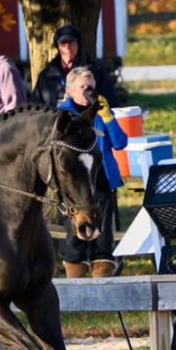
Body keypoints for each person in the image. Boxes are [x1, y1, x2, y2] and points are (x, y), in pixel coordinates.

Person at [57, 66, 127, 278]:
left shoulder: (101, 112)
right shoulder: (63, 114)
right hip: (75, 179)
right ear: (70, 90)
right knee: (75, 223)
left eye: (91, 87)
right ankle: (75, 262)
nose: (87, 91)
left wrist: (108, 118)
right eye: (82, 87)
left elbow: (120, 142)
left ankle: (102, 261)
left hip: (102, 176)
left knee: (103, 224)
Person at [33, 23, 116, 109]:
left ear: (78, 44)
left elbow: (112, 104)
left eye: (71, 43)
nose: (67, 48)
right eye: (63, 44)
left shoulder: (96, 72)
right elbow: (35, 107)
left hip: (86, 121)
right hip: (54, 121)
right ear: (57, 46)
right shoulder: (46, 75)